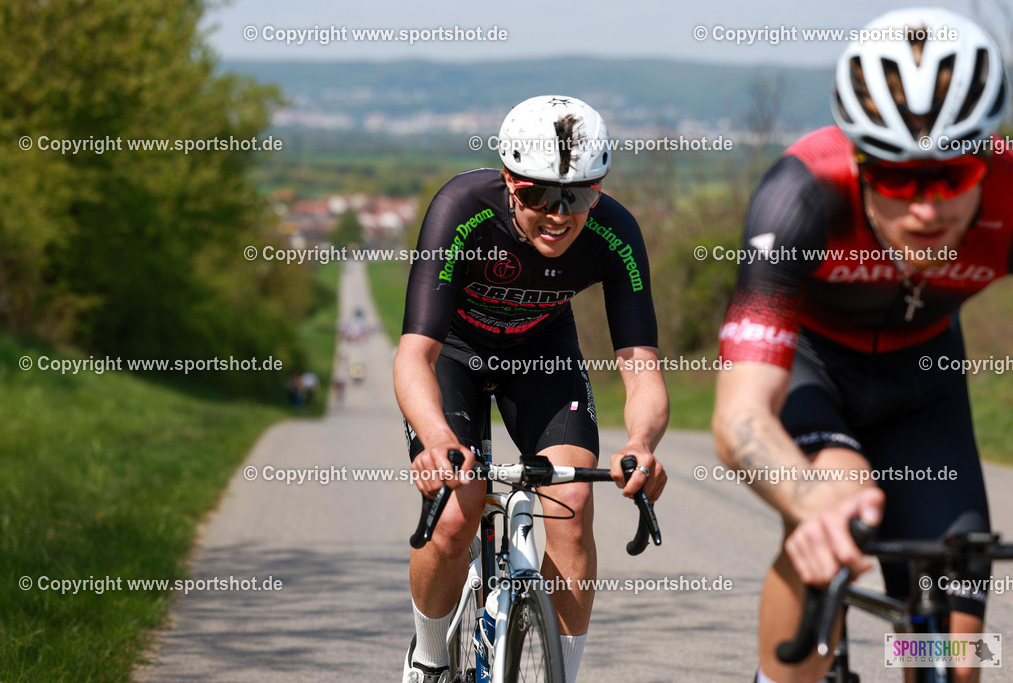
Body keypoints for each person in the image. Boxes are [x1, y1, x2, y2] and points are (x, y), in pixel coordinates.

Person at [711, 8, 1011, 683]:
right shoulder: (804, 193)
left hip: (924, 385)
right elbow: (739, 415)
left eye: (952, 176)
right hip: (814, 372)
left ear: (988, 156)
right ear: (861, 163)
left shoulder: (1012, 197)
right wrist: (808, 500)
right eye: (900, 180)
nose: (926, 209)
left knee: (955, 657)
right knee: (835, 508)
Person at [395, 95, 670, 682]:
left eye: (578, 197)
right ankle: (427, 656)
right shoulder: (461, 208)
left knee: (573, 506)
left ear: (598, 191)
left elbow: (641, 361)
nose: (558, 214)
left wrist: (642, 443)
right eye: (538, 195)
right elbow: (415, 353)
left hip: (540, 356)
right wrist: (437, 438)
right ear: (508, 182)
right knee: (456, 511)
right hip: (455, 356)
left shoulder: (617, 233)